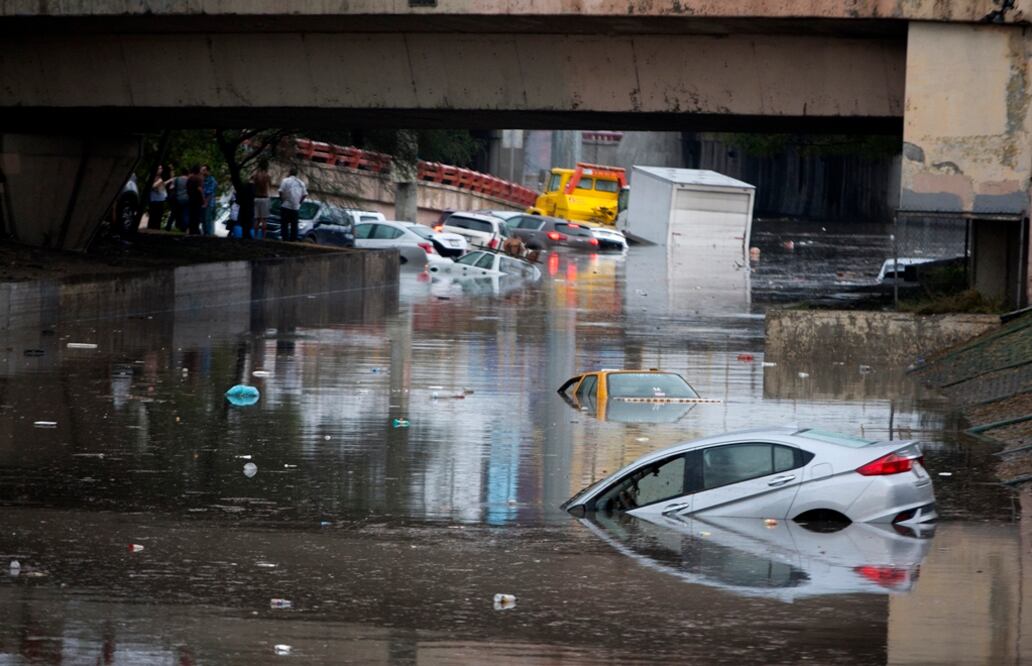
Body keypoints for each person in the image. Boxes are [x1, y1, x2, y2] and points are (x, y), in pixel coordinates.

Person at [278, 167, 307, 242]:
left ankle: (285, 238)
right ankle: (293, 239)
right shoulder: (301, 183)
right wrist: (299, 202)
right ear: (296, 174)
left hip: (286, 205)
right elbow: (305, 194)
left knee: (284, 223)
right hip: (295, 207)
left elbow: (280, 191)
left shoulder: (285, 180)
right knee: (294, 225)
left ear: (289, 172)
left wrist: (282, 200)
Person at [251, 158, 272, 239]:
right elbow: (270, 185)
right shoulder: (267, 176)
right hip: (264, 198)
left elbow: (251, 183)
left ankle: (255, 236)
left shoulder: (255, 175)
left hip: (256, 198)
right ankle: (263, 237)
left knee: (256, 219)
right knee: (264, 220)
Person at [147, 165, 168, 230]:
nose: (161, 169)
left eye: (161, 168)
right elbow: (152, 186)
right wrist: (160, 182)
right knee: (153, 216)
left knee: (158, 217)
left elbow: (161, 187)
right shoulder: (151, 177)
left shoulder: (159, 177)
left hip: (160, 199)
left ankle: (156, 229)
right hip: (154, 200)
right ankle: (151, 229)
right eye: (159, 168)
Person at [186, 165, 205, 235]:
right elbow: (200, 189)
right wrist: (203, 199)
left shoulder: (190, 178)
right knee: (197, 216)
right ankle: (195, 231)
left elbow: (187, 188)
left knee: (191, 215)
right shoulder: (199, 178)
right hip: (197, 200)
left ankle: (191, 230)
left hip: (191, 199)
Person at [171, 167, 190, 231]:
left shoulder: (177, 179)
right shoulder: (189, 180)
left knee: (175, 213)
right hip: (187, 198)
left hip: (178, 198)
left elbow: (173, 188)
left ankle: (172, 226)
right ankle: (184, 228)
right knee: (185, 213)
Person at [201, 165, 217, 236]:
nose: (202, 171)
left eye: (204, 170)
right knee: (203, 220)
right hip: (203, 202)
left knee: (207, 220)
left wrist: (206, 203)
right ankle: (205, 234)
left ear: (208, 171)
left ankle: (208, 235)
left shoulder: (211, 180)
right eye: (202, 170)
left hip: (209, 203)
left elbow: (210, 193)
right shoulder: (202, 179)